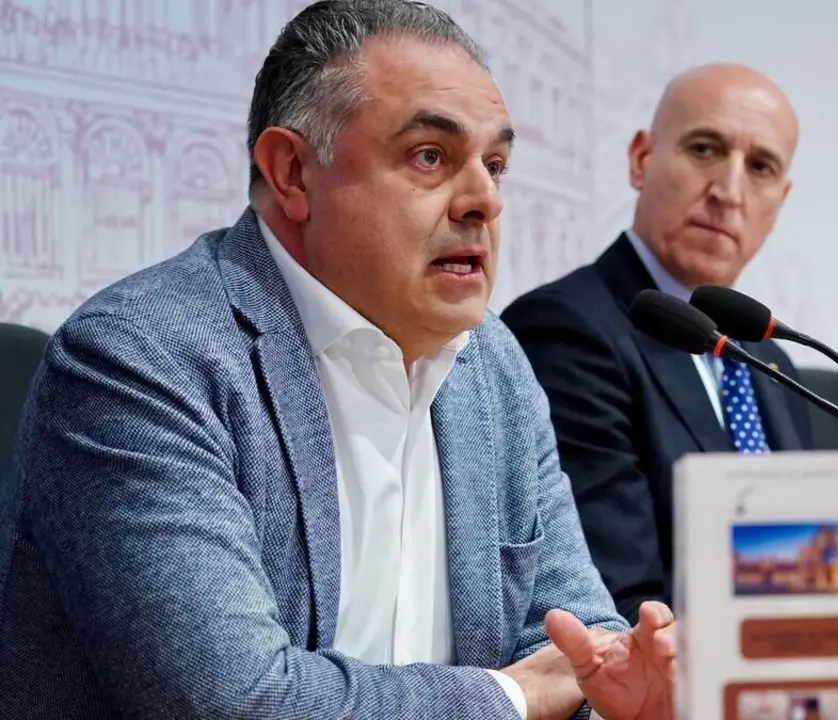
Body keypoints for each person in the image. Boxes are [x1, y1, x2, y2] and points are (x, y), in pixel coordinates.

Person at [0, 2, 675, 718]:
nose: (484, 200)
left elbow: (578, 646)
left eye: (496, 164)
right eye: (430, 157)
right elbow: (235, 703)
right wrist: (509, 696)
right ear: (293, 172)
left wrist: (619, 695)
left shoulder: (493, 366)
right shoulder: (143, 360)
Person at [501, 63, 838, 708]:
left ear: (782, 199)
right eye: (704, 149)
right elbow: (626, 618)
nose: (729, 189)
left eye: (761, 167)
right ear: (640, 159)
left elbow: (807, 587)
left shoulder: (766, 355)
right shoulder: (568, 329)